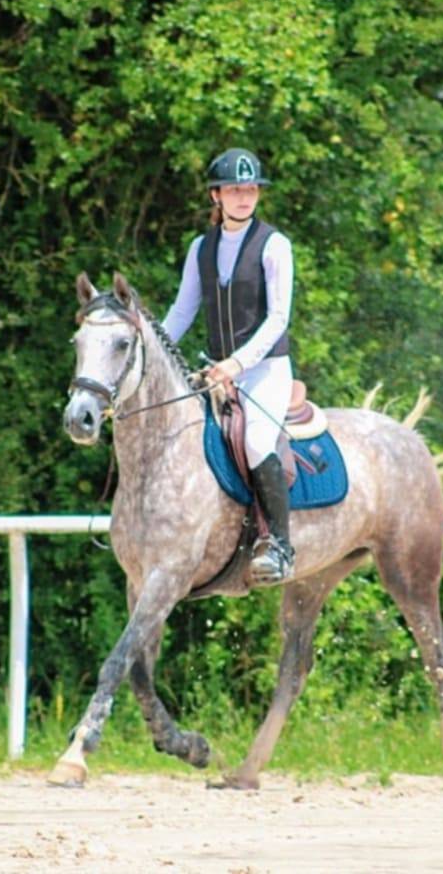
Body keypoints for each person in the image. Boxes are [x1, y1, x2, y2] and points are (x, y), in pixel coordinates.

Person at [162, 147, 295, 583]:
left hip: (265, 370)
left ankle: (279, 545)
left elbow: (278, 318)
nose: (244, 197)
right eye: (235, 190)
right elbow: (183, 312)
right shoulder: (201, 247)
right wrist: (153, 351)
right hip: (216, 370)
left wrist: (236, 364)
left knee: (257, 438)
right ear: (216, 195)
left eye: (251, 189)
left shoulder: (275, 245)